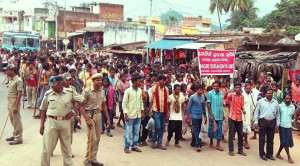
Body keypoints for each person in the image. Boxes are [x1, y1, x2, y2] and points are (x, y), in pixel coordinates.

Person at [39, 76, 84, 166]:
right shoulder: (48, 94)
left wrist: (73, 111)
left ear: (62, 84)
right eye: (51, 83)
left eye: (55, 83)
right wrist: (41, 126)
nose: (52, 85)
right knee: (47, 148)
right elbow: (43, 109)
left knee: (67, 148)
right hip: (51, 122)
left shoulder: (70, 92)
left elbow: (82, 100)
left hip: (65, 122)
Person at [80, 73, 110, 166]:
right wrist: (86, 119)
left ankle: (93, 159)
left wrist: (108, 118)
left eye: (101, 80)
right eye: (97, 80)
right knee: (92, 138)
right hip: (90, 115)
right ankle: (87, 159)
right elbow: (81, 106)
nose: (100, 82)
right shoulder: (87, 91)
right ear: (93, 81)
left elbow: (104, 105)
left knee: (97, 139)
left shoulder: (102, 91)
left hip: (99, 115)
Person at [254, 88, 280, 161]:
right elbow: (256, 112)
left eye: (271, 93)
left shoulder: (275, 102)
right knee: (262, 139)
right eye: (268, 93)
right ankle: (262, 154)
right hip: (263, 122)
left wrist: (277, 124)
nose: (270, 95)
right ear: (265, 94)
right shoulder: (260, 102)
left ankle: (269, 154)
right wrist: (256, 122)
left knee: (270, 139)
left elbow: (278, 114)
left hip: (272, 122)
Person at [122, 74, 144, 154]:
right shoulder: (128, 91)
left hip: (138, 114)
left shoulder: (140, 90)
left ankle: (134, 146)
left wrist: (142, 111)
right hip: (130, 114)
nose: (140, 83)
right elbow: (124, 103)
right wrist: (125, 114)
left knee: (137, 131)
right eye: (139, 81)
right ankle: (126, 147)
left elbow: (141, 101)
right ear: (134, 81)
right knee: (128, 132)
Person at [5, 64, 24, 145]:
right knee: (12, 119)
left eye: (7, 70)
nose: (6, 71)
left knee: (16, 120)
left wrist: (16, 106)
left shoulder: (18, 80)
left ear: (12, 71)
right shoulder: (11, 79)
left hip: (14, 101)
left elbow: (19, 93)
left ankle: (19, 138)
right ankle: (15, 134)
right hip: (10, 100)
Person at [149, 74, 169, 150]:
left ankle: (159, 143)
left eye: (165, 81)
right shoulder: (153, 89)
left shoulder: (166, 89)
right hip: (156, 110)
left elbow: (167, 101)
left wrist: (167, 112)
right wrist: (150, 111)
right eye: (163, 81)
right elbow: (151, 100)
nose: (164, 82)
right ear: (159, 81)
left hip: (163, 110)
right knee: (158, 126)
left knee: (162, 127)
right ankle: (153, 140)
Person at [227, 82, 247, 156]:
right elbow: (225, 98)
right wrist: (229, 91)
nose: (238, 89)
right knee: (231, 134)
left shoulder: (242, 96)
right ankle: (231, 150)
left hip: (239, 117)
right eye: (237, 87)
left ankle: (240, 150)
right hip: (232, 117)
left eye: (239, 87)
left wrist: (243, 110)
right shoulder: (231, 95)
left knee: (240, 134)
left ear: (241, 88)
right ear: (235, 88)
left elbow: (242, 106)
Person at [186, 84, 207, 152]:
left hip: (200, 116)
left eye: (202, 90)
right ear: (196, 90)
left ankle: (196, 142)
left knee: (198, 129)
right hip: (194, 115)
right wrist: (188, 116)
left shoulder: (203, 97)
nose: (201, 91)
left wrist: (205, 116)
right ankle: (197, 144)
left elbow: (203, 107)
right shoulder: (192, 97)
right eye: (199, 90)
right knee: (196, 129)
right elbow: (189, 107)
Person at [276, 94, 295, 164]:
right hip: (282, 126)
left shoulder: (292, 107)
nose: (288, 100)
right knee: (284, 141)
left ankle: (278, 153)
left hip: (289, 126)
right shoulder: (280, 106)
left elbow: (292, 116)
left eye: (289, 98)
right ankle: (289, 156)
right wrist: (277, 125)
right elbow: (278, 116)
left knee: (285, 141)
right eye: (287, 98)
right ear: (284, 99)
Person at [166, 84, 186, 148]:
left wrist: (184, 113)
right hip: (172, 115)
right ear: (174, 90)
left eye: (179, 89)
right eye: (177, 89)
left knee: (178, 129)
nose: (179, 90)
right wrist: (168, 112)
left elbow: (183, 104)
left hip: (179, 115)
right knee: (171, 128)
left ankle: (176, 142)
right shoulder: (170, 97)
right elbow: (168, 105)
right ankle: (168, 139)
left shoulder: (181, 96)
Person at [207, 82, 224, 151]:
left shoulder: (221, 93)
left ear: (219, 87)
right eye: (214, 86)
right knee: (211, 129)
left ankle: (218, 144)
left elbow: (222, 104)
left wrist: (223, 114)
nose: (215, 87)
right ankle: (211, 143)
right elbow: (208, 104)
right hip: (213, 114)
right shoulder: (210, 93)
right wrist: (210, 114)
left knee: (219, 129)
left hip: (220, 114)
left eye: (217, 86)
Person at [242, 84, 255, 149]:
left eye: (249, 88)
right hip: (243, 115)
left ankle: (243, 140)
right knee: (245, 128)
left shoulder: (251, 95)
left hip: (249, 114)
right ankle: (246, 142)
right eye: (247, 88)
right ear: (244, 89)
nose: (248, 90)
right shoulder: (243, 95)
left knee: (246, 128)